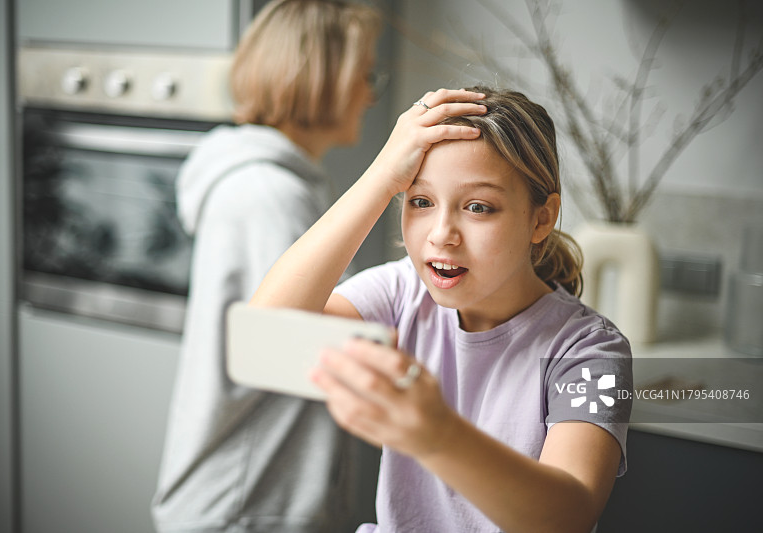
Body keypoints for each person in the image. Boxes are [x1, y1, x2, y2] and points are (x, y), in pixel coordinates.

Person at [251, 86, 633, 533]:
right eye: (420, 201)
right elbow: (262, 342)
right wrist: (382, 175)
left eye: (478, 207)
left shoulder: (591, 352)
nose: (441, 234)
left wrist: (438, 436)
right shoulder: (401, 294)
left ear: (541, 218)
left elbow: (567, 518)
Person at [151, 1, 382, 532]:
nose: (370, 93)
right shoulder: (268, 194)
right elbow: (299, 346)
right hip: (247, 505)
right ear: (322, 78)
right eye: (364, 74)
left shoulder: (275, 183)